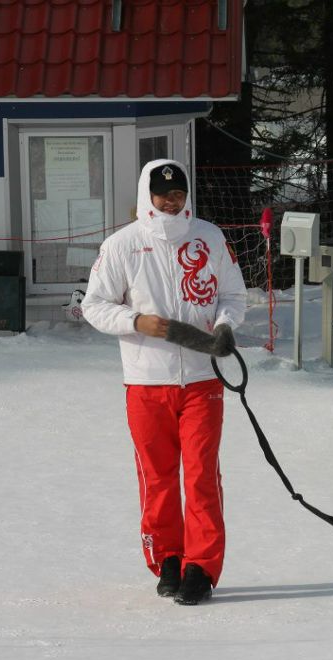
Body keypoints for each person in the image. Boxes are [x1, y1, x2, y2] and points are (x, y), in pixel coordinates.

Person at [81, 159, 247, 605]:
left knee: (201, 476)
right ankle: (167, 559)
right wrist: (136, 322)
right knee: (157, 478)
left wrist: (226, 325)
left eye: (178, 193)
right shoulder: (123, 245)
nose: (172, 202)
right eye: (163, 194)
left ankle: (201, 566)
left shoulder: (209, 237)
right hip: (145, 381)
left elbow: (233, 293)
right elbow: (93, 305)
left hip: (200, 381)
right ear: (146, 195)